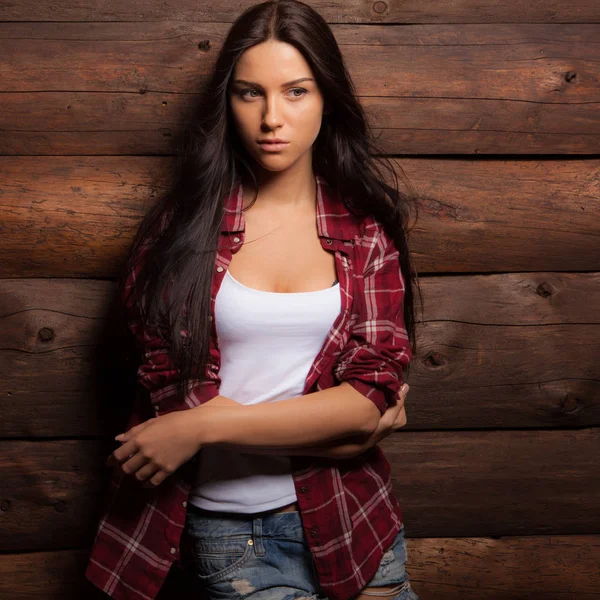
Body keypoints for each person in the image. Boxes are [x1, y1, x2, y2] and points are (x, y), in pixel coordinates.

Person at [85, 1, 422, 599]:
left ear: (327, 98)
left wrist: (207, 427)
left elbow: (367, 400)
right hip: (231, 541)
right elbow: (171, 403)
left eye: (296, 92)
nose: (272, 117)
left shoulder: (367, 231)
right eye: (250, 94)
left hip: (357, 525)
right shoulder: (180, 235)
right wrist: (344, 429)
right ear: (228, 102)